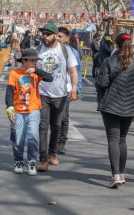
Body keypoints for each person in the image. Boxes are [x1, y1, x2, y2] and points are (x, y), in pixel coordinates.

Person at [95, 33, 134, 188]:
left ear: (116, 44)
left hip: (111, 105)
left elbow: (102, 83)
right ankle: (121, 173)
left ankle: (115, 174)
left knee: (113, 140)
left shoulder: (110, 61)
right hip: (129, 107)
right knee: (122, 140)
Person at [36, 22, 78, 171]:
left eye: (48, 34)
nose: (45, 36)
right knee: (42, 127)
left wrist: (74, 88)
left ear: (55, 35)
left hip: (60, 95)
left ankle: (52, 153)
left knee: (57, 126)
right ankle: (42, 159)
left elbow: (73, 71)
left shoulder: (65, 51)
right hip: (42, 94)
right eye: (43, 34)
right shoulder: (38, 51)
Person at [5, 48, 53, 176]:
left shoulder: (36, 73)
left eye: (36, 61)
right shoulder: (14, 73)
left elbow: (50, 78)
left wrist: (36, 70)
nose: (35, 62)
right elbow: (9, 92)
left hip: (34, 109)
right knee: (18, 138)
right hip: (18, 110)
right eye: (32, 61)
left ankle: (32, 161)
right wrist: (9, 108)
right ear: (24, 61)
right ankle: (18, 161)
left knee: (33, 136)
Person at [57, 27, 83, 154]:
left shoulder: (73, 52)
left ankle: (61, 143)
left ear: (67, 39)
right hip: (50, 90)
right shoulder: (50, 50)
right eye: (57, 36)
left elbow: (77, 72)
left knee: (64, 117)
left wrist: (77, 89)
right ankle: (52, 141)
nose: (57, 38)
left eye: (60, 36)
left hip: (66, 90)